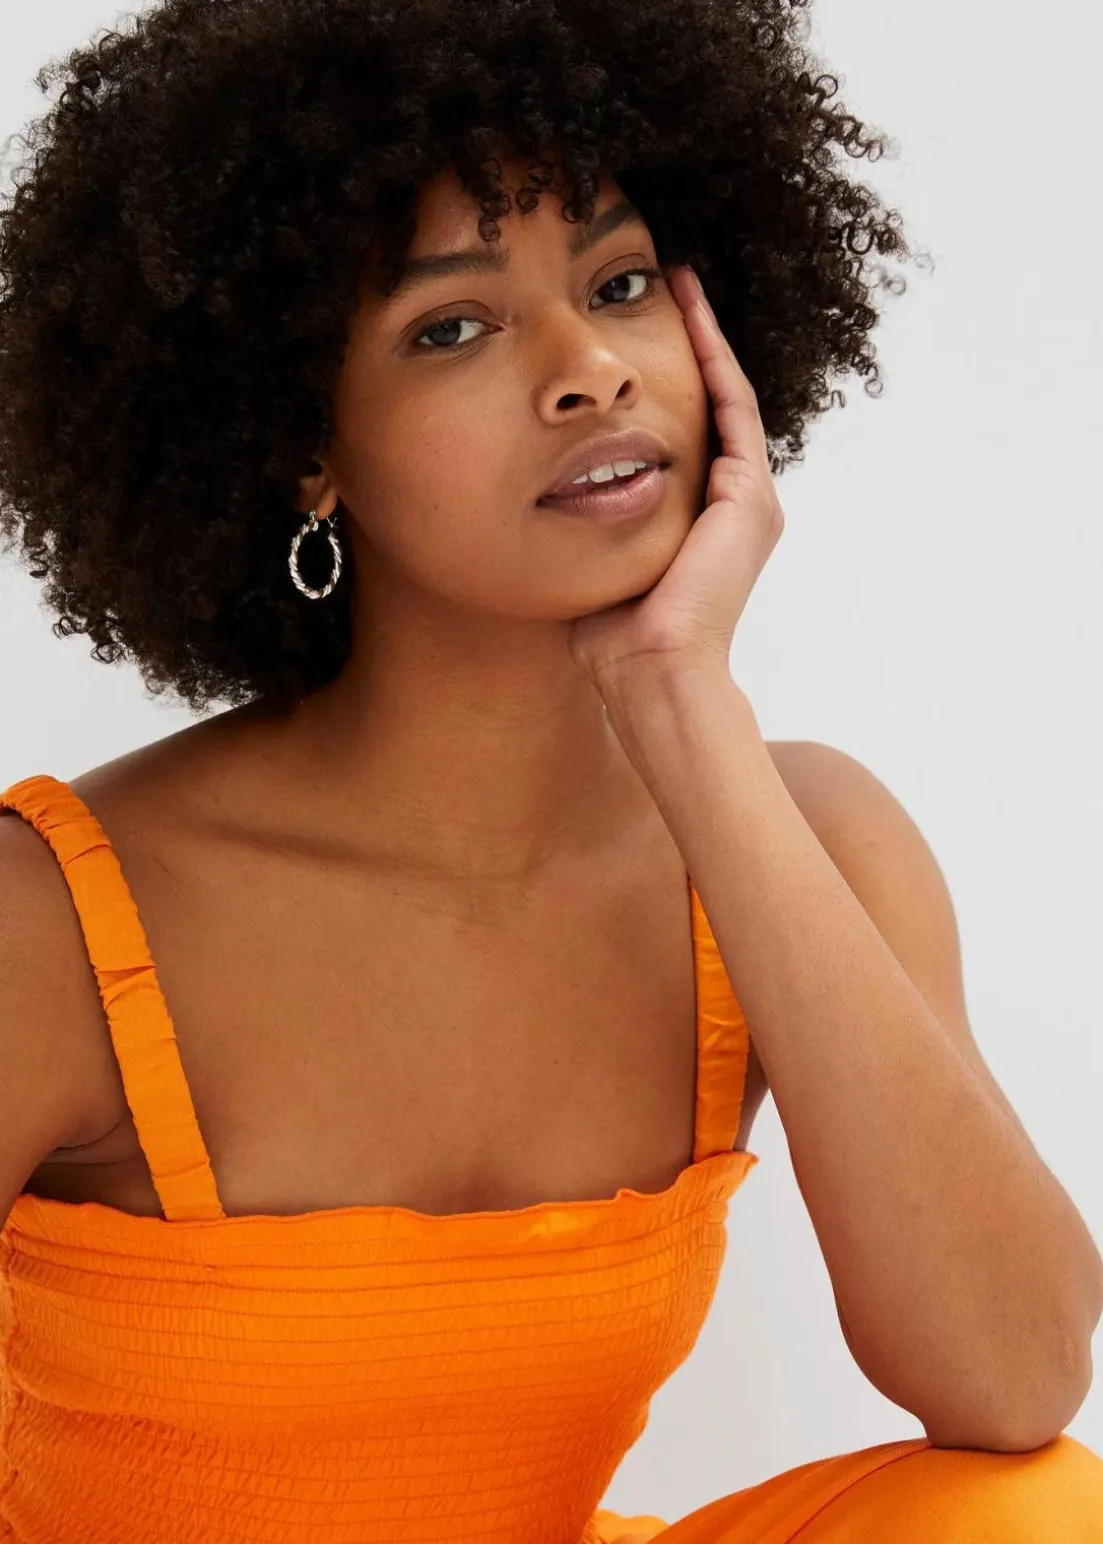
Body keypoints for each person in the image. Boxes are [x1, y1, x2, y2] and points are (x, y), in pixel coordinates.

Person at [0, 0, 1101, 1539]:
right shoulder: (51, 925)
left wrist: (682, 706)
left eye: (620, 282)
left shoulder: (808, 840)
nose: (588, 371)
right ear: (303, 446)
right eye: (450, 327)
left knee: (1029, 1514)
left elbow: (1012, 1381)